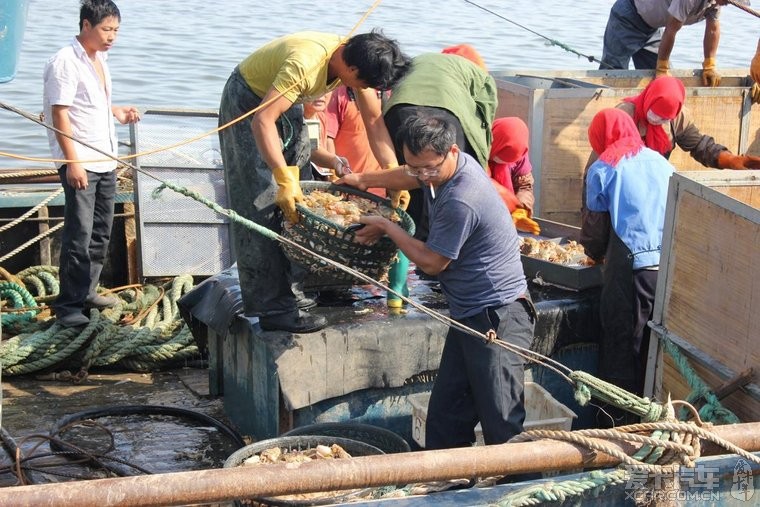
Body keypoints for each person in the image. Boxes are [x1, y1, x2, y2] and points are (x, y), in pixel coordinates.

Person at [338, 114, 535, 448]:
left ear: (453, 151)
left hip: (498, 317)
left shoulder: (461, 197)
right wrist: (361, 178)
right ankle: (449, 489)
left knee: (503, 428)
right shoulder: (439, 169)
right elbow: (408, 176)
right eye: (415, 167)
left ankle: (524, 495)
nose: (423, 176)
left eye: (430, 168)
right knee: (446, 420)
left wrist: (388, 227)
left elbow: (433, 262)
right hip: (469, 315)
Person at [218, 30, 410, 333]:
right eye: (366, 85)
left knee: (302, 204)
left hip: (287, 99)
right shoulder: (305, 65)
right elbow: (263, 120)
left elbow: (373, 120)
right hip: (249, 104)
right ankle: (273, 308)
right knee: (265, 199)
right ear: (352, 71)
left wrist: (392, 173)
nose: (366, 90)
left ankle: (295, 294)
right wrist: (282, 178)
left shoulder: (353, 58)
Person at [43, 0, 140, 328]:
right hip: (80, 162)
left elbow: (95, 104)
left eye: (115, 30)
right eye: (106, 29)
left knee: (100, 231)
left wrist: (119, 112)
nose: (112, 36)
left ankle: (87, 291)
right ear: (86, 25)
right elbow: (60, 114)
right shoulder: (65, 61)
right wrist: (73, 163)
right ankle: (68, 305)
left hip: (106, 159)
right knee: (79, 234)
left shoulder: (100, 58)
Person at [580, 108, 675, 425]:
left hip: (631, 272)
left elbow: (594, 232)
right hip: (667, 271)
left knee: (621, 348)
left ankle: (614, 426)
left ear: (599, 136)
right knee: (651, 347)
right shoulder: (662, 162)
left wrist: (594, 255)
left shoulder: (602, 168)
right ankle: (652, 420)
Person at [383, 50, 497, 243]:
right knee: (444, 177)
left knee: (413, 174)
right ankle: (436, 245)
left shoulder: (418, 59)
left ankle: (404, 241)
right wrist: (478, 164)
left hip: (399, 109)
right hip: (446, 113)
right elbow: (483, 125)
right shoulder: (482, 77)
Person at [599, 0, 734, 87]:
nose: (730, 2)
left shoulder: (714, 3)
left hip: (652, 29)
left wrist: (709, 64)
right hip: (627, 18)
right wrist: (662, 68)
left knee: (665, 84)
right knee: (611, 75)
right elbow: (671, 30)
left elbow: (713, 28)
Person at [302, 91, 348, 180]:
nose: (320, 95)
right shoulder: (294, 119)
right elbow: (312, 150)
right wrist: (335, 162)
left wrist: (334, 171)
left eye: (326, 89)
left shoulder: (321, 117)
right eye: (316, 88)